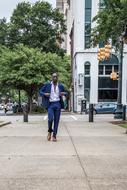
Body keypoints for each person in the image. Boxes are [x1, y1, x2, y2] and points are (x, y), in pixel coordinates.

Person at [39, 73, 66, 142]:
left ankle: (54, 136)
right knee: (50, 119)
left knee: (56, 121)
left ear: (58, 78)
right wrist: (45, 94)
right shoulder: (47, 85)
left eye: (56, 77)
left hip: (58, 104)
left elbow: (66, 92)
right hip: (50, 104)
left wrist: (64, 93)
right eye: (53, 77)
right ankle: (49, 131)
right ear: (51, 78)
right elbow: (40, 91)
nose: (55, 78)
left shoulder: (60, 86)